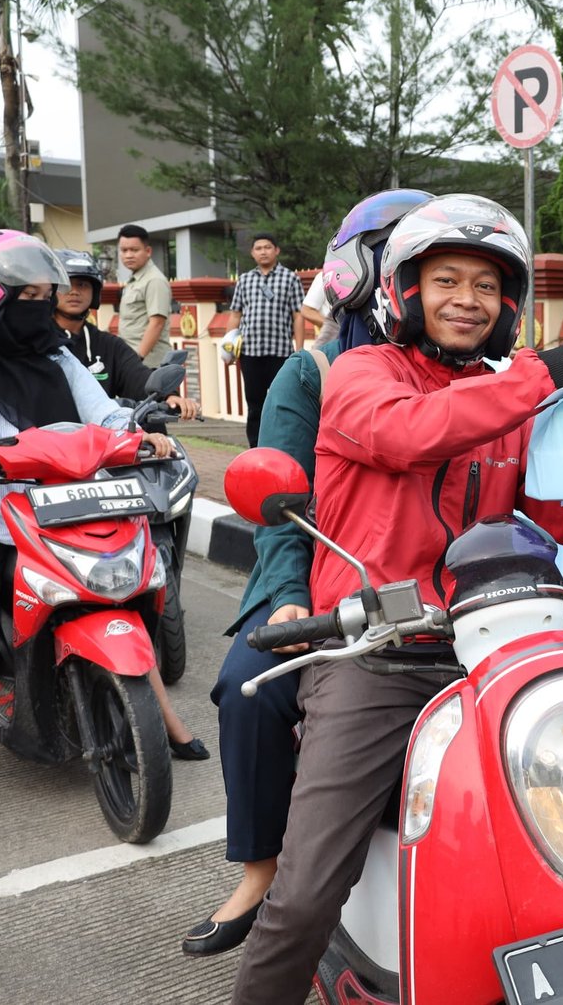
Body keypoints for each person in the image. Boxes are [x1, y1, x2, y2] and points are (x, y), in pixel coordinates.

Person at [229, 194, 563, 1002]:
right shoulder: (363, 377)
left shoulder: (509, 403)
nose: (467, 299)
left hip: (495, 650)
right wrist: (562, 364)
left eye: (487, 287)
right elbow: (412, 433)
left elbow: (561, 503)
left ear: (508, 306)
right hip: (379, 658)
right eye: (447, 280)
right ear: (405, 292)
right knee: (307, 889)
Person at [183, 188, 429, 958]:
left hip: (431, 593)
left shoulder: (469, 373)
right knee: (247, 692)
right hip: (321, 580)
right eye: (409, 265)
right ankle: (261, 870)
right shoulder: (312, 372)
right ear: (359, 273)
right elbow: (282, 509)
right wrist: (288, 599)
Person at [0, 230, 203, 824]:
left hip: (64, 502)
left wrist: (139, 434)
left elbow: (104, 410)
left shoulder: (58, 354)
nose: (42, 307)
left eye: (46, 294)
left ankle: (163, 718)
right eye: (28, 295)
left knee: (131, 592)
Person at [51, 249, 200, 419]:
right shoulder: (38, 340)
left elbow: (137, 376)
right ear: (52, 289)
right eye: (67, 285)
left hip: (101, 435)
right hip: (48, 435)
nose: (74, 292)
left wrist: (169, 397)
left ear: (95, 292)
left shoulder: (107, 345)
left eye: (83, 285)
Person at [228, 232, 306, 447]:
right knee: (254, 405)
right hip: (250, 353)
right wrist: (228, 348)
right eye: (258, 248)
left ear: (276, 250)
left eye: (268, 247)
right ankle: (256, 448)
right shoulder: (245, 280)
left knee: (283, 401)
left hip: (280, 352)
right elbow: (235, 314)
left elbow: (298, 315)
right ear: (253, 253)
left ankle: (281, 446)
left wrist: (298, 351)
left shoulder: (290, 278)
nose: (263, 251)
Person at [116, 224, 174, 368]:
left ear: (148, 251)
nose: (128, 255)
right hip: (133, 361)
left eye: (134, 250)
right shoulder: (134, 281)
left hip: (149, 364)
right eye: (124, 250)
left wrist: (137, 360)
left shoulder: (154, 280)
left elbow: (157, 323)